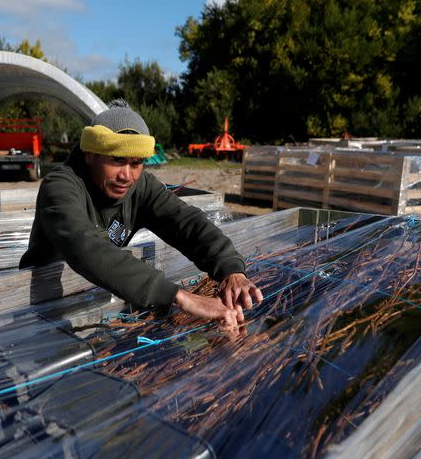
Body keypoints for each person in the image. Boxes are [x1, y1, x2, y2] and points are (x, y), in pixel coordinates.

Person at [19, 100, 262, 331]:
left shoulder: (141, 187)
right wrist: (179, 297)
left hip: (100, 301)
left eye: (136, 163)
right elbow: (84, 245)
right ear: (90, 154)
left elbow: (186, 222)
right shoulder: (60, 186)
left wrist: (230, 268)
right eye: (116, 160)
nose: (127, 175)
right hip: (43, 311)